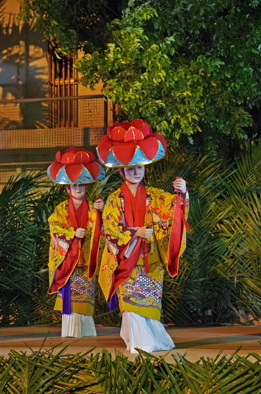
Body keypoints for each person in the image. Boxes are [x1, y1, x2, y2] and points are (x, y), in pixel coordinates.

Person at [97, 119, 188, 353]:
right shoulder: (114, 200)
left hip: (151, 261)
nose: (135, 172)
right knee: (131, 308)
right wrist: (136, 232)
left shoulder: (156, 197)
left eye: (139, 167)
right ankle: (139, 343)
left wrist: (182, 193)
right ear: (122, 170)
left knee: (148, 307)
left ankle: (153, 341)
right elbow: (111, 229)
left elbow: (174, 213)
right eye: (130, 168)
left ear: (145, 168)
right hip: (127, 261)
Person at [47, 147, 106, 337]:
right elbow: (55, 230)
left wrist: (100, 213)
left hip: (86, 262)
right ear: (67, 189)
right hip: (69, 263)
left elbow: (103, 232)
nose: (78, 188)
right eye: (74, 185)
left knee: (85, 304)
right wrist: (73, 233)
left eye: (81, 185)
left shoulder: (92, 208)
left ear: (87, 187)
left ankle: (86, 334)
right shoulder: (61, 210)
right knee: (70, 305)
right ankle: (70, 334)